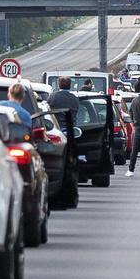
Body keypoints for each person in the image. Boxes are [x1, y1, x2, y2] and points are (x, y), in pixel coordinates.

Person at [47, 76, 82, 204]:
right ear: (70, 85)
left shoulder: (53, 97)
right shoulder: (74, 98)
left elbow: (47, 110)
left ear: (58, 84)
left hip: (55, 130)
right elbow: (76, 112)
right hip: (70, 130)